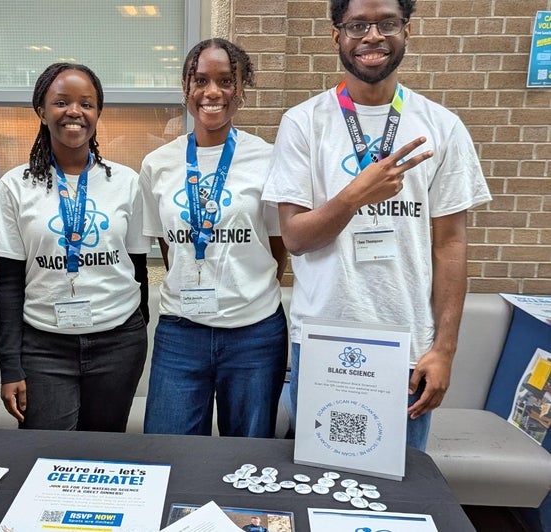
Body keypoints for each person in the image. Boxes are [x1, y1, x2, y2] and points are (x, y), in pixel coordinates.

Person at [262, 0, 491, 449]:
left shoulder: (442, 126)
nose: (372, 36)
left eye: (387, 23)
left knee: (399, 493)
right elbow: (295, 238)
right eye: (357, 25)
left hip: (406, 347)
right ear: (337, 35)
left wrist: (444, 350)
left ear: (406, 29)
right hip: (323, 339)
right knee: (317, 483)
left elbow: (450, 246)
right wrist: (353, 197)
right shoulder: (304, 123)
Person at [140, 38, 288, 438]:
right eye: (200, 80)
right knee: (168, 452)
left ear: (242, 88)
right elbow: (169, 244)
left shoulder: (269, 159)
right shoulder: (157, 164)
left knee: (248, 459)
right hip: (181, 331)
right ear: (186, 88)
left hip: (254, 333)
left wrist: (243, 285)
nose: (213, 92)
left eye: (226, 80)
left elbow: (277, 244)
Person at [0, 63, 150, 432]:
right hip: (44, 347)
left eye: (87, 104)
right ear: (41, 112)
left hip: (118, 343)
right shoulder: (15, 186)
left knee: (103, 451)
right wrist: (9, 365)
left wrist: (137, 327)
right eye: (61, 102)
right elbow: (9, 284)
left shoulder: (126, 182)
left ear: (97, 113)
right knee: (44, 456)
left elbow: (138, 269)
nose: (74, 112)